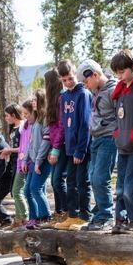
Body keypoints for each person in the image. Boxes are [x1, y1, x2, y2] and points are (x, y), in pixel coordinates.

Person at [76, 59, 117, 231]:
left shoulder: (113, 90)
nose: (85, 86)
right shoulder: (95, 92)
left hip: (109, 138)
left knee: (101, 178)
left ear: (94, 74)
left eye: (86, 82)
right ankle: (99, 212)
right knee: (93, 177)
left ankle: (106, 216)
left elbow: (122, 115)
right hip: (96, 139)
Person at [110, 49, 133, 234]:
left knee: (130, 188)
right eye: (117, 73)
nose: (120, 76)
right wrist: (118, 133)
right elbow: (118, 116)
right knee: (119, 189)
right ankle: (120, 219)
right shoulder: (121, 92)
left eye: (122, 72)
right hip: (122, 147)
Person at [54, 59, 93, 231]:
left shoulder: (83, 94)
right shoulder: (64, 97)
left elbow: (85, 124)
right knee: (71, 182)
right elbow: (64, 123)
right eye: (64, 80)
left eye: (70, 78)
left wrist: (80, 150)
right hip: (69, 148)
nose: (68, 82)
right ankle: (73, 215)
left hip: (81, 148)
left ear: (75, 74)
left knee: (82, 182)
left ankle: (85, 216)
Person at [22, 89, 52, 229]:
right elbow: (31, 143)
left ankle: (45, 217)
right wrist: (25, 160)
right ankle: (33, 217)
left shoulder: (45, 118)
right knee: (27, 190)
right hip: (33, 160)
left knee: (36, 188)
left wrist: (39, 161)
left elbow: (46, 141)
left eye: (34, 100)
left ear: (41, 101)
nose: (33, 102)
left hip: (43, 161)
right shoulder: (36, 121)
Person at [44, 68, 68, 225]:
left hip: (62, 146)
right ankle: (59, 212)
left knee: (58, 180)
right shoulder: (53, 101)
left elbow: (61, 126)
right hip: (55, 145)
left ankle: (66, 212)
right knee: (55, 181)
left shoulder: (61, 99)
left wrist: (55, 148)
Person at [0, 104, 28, 228]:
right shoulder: (13, 128)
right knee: (14, 191)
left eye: (7, 115)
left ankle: (25, 218)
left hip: (23, 162)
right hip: (14, 162)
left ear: (14, 115)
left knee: (17, 190)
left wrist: (9, 150)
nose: (5, 118)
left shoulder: (23, 126)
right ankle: (18, 219)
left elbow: (24, 147)